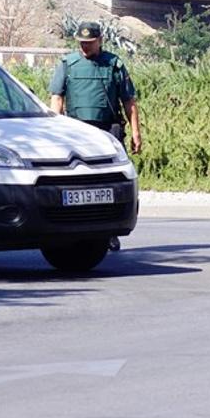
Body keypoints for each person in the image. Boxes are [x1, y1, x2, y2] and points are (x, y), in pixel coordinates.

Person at [49, 21, 142, 251]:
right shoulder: (68, 64)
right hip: (76, 131)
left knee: (109, 183)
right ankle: (74, 228)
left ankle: (109, 231)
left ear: (100, 40)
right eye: (81, 43)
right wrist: (53, 132)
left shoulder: (114, 64)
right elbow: (57, 98)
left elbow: (129, 101)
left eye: (89, 43)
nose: (85, 47)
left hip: (107, 131)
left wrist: (136, 132)